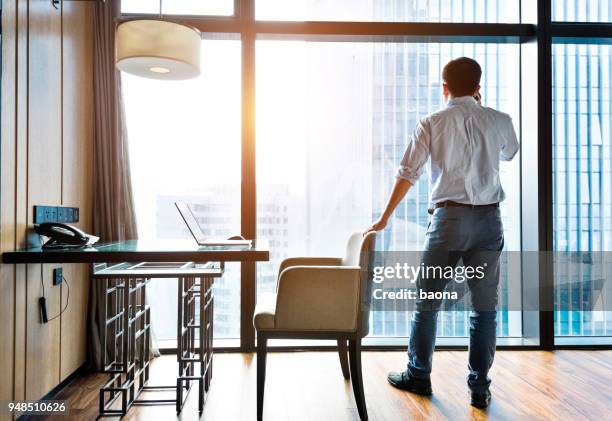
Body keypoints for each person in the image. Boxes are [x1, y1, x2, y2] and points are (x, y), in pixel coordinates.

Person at [366, 57, 519, 408]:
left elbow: (407, 173)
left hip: (448, 222)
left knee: (427, 302)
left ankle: (419, 375)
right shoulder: (498, 120)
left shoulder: (431, 123)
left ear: (443, 86)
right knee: (485, 308)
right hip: (488, 222)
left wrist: (385, 218)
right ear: (478, 87)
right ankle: (479, 386)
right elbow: (509, 153)